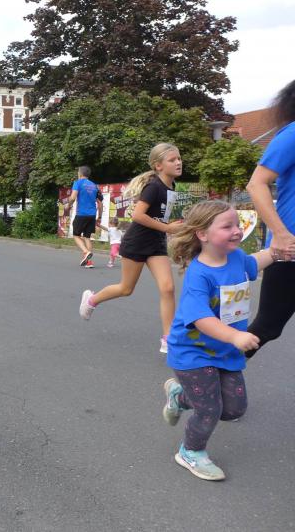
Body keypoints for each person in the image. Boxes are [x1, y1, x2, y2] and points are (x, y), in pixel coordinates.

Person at [161, 200, 273, 480]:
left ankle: (180, 396)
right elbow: (201, 318)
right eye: (227, 226)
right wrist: (235, 335)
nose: (237, 230)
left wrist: (276, 252)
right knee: (209, 409)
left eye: (237, 224)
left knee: (234, 409)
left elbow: (254, 262)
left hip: (224, 351)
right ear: (203, 234)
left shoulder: (236, 257)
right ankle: (191, 451)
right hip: (193, 352)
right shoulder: (199, 274)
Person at [79, 143, 184, 354]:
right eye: (172, 160)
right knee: (126, 289)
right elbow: (138, 215)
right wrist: (167, 228)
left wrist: (173, 227)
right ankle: (91, 299)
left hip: (156, 244)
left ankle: (168, 338)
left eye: (179, 158)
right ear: (158, 165)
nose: (178, 162)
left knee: (168, 288)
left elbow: (159, 216)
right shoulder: (154, 187)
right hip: (137, 242)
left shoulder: (171, 186)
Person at [245, 79, 295, 358]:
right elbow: (256, 184)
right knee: (267, 327)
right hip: (291, 250)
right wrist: (281, 233)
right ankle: (199, 376)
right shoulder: (293, 134)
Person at [67, 166, 103, 268]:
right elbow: (100, 203)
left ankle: (86, 252)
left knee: (76, 235)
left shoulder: (78, 183)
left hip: (81, 214)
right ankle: (89, 263)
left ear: (80, 173)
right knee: (87, 237)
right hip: (92, 215)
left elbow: (73, 197)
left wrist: (68, 205)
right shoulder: (95, 186)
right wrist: (99, 217)